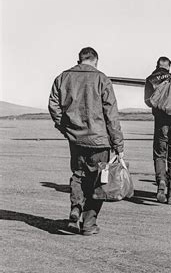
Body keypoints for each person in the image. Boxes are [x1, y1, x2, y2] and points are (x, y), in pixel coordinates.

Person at [48, 47, 124, 235]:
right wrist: (118, 144)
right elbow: (111, 114)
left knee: (78, 175)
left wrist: (65, 128)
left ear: (79, 59)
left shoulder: (62, 77)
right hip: (100, 141)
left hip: (76, 140)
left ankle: (76, 207)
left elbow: (53, 105)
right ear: (96, 61)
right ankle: (89, 224)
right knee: (99, 182)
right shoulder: (102, 79)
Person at [144, 57, 171, 205]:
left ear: (157, 65)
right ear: (169, 66)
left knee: (159, 155)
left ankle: (161, 183)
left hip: (160, 123)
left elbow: (147, 101)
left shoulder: (150, 79)